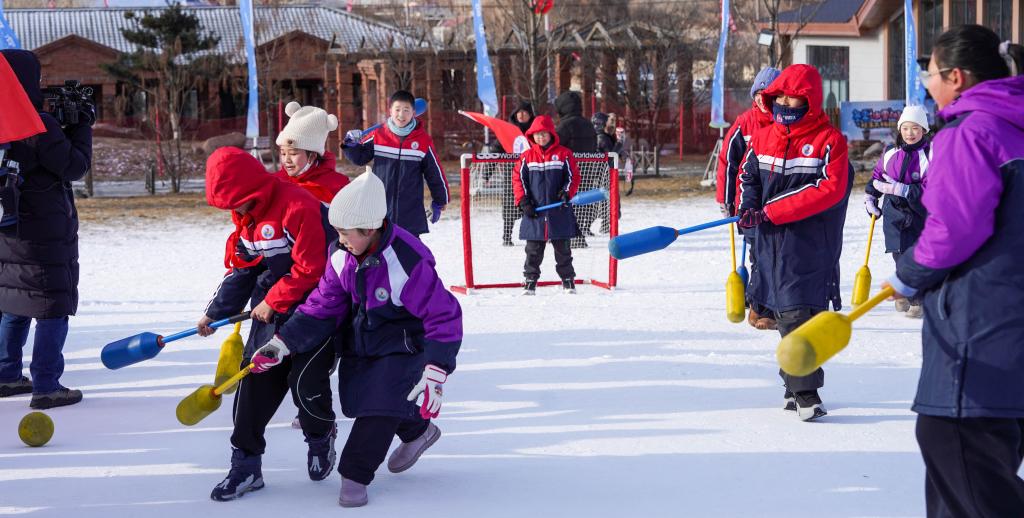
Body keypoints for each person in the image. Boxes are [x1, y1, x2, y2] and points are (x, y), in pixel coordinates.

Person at [251, 171, 462, 507]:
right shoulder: (340, 255)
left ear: (369, 228)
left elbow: (444, 315)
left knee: (377, 408)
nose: (340, 239)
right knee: (360, 400)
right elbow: (323, 304)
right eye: (337, 231)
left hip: (405, 344)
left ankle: (355, 476)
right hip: (362, 339)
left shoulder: (406, 262)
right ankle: (417, 430)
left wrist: (436, 368)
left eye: (345, 233)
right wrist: (282, 342)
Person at [882, 25, 1024, 518]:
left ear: (956, 77)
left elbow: (956, 227)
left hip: (981, 329)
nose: (927, 84)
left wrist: (908, 274)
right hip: (1007, 336)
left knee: (951, 441)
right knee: (958, 482)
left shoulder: (971, 134)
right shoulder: (1013, 126)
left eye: (931, 74)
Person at [202, 148, 338, 501]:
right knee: (253, 384)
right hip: (272, 309)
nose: (235, 210)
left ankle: (320, 437)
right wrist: (215, 313)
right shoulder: (245, 217)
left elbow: (312, 269)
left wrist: (272, 301)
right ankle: (246, 465)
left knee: (304, 382)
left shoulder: (298, 206)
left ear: (252, 189)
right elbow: (243, 269)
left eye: (237, 202)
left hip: (316, 308)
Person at [737, 64, 853, 422]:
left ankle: (805, 393)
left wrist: (772, 210)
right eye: (780, 97)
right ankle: (795, 386)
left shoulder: (830, 141)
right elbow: (748, 176)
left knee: (799, 316)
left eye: (793, 98)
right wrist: (748, 206)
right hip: (768, 245)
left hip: (807, 246)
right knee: (784, 314)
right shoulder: (763, 137)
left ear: (810, 101)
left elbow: (829, 189)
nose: (785, 104)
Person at [0, 49, 92, 409]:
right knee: (53, 305)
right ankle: (47, 385)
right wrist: (82, 126)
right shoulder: (37, 124)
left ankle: (7, 374)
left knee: (14, 300)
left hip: (9, 229)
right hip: (45, 231)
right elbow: (74, 166)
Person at [716, 67, 781, 331]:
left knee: (778, 254)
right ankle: (760, 307)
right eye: (758, 95)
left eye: (770, 95)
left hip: (778, 203)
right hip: (749, 204)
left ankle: (775, 304)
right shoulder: (745, 124)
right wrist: (726, 200)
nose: (763, 101)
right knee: (760, 254)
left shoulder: (786, 122)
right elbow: (728, 163)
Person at [342, 90, 448, 238]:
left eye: (406, 110)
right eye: (397, 110)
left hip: (410, 215)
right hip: (380, 214)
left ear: (413, 113)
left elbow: (434, 173)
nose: (401, 115)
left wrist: (439, 200)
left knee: (409, 252)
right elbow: (359, 158)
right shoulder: (378, 135)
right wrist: (350, 143)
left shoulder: (423, 140)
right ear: (390, 111)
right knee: (380, 250)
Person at [864, 104, 931, 318]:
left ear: (924, 130)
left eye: (915, 128)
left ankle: (918, 300)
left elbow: (932, 188)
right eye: (906, 128)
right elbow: (878, 177)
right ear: (900, 129)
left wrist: (904, 190)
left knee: (914, 256)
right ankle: (904, 291)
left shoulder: (929, 155)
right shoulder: (890, 152)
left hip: (917, 214)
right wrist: (870, 196)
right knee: (898, 254)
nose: (910, 133)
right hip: (893, 213)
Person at [513, 115, 581, 295]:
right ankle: (530, 282)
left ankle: (568, 281)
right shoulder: (527, 157)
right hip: (535, 212)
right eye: (537, 134)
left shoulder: (564, 154)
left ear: (551, 134)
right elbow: (519, 180)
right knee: (533, 251)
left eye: (544, 134)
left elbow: (573, 177)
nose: (541, 137)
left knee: (563, 250)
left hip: (558, 211)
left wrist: (566, 192)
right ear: (532, 136)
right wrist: (524, 201)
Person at [274, 101, 348, 204]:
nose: (287, 160)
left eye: (293, 154)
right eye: (283, 153)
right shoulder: (275, 183)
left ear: (312, 156)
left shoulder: (338, 186)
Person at [554, 91, 596, 249]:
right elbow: (594, 146)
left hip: (568, 172)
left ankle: (573, 235)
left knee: (565, 204)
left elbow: (555, 146)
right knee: (580, 204)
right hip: (586, 171)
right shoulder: (588, 124)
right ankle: (577, 234)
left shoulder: (564, 126)